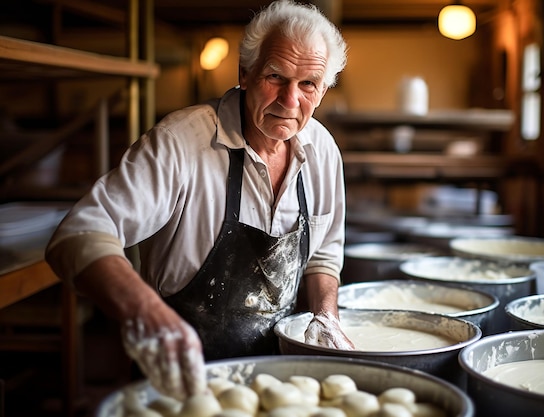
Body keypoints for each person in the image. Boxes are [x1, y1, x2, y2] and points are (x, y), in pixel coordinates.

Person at [45, 0, 354, 401]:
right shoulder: (181, 143)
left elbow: (323, 256)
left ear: (324, 89)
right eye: (275, 76)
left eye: (308, 84)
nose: (290, 100)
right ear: (245, 74)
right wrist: (146, 313)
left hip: (283, 385)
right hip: (180, 380)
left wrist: (325, 314)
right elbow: (78, 233)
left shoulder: (323, 151)